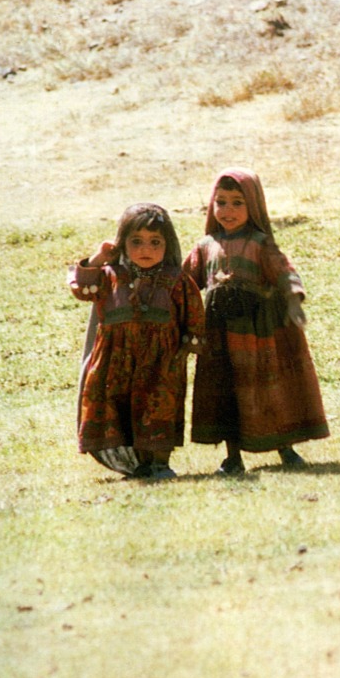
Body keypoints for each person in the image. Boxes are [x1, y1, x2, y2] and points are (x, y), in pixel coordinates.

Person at [183, 167, 329, 474]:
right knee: (226, 392)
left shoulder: (260, 243)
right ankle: (232, 457)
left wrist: (293, 301)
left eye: (238, 202)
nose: (227, 210)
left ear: (254, 204)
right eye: (220, 202)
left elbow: (284, 272)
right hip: (219, 336)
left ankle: (284, 448)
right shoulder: (205, 245)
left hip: (257, 334)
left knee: (265, 389)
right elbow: (183, 283)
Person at [69, 203, 205, 480]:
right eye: (137, 242)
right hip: (114, 362)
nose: (146, 249)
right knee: (119, 409)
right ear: (123, 243)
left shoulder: (176, 280)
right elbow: (82, 289)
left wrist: (188, 346)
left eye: (155, 242)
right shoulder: (110, 276)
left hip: (161, 362)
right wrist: (98, 259)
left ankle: (159, 462)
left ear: (168, 245)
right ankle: (135, 464)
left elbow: (193, 312)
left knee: (157, 409)